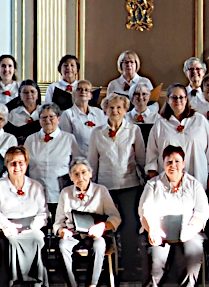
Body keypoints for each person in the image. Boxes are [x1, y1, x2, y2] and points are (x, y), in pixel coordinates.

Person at [87, 93, 146, 281]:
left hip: (129, 185)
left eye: (119, 107)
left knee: (129, 227)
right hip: (105, 187)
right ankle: (104, 270)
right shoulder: (97, 133)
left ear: (125, 110)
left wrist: (146, 184)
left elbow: (141, 159)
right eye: (111, 107)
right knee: (103, 227)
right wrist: (92, 188)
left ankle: (129, 267)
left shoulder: (134, 130)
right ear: (105, 110)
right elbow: (92, 163)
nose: (115, 111)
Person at [139, 145, 209, 287]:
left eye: (177, 161)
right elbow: (145, 210)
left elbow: (202, 212)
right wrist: (152, 229)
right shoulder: (153, 184)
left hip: (188, 230)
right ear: (163, 164)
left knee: (193, 254)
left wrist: (191, 228)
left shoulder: (194, 184)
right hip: (160, 231)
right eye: (169, 162)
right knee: (156, 262)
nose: (173, 165)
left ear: (184, 163)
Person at [0, 145, 49, 286]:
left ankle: (34, 283)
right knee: (10, 242)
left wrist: (34, 227)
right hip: (5, 229)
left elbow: (43, 212)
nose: (17, 167)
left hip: (31, 228)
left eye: (21, 163)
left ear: (26, 164)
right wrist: (6, 225)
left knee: (37, 238)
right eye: (13, 163)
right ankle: (14, 283)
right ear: (6, 165)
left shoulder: (36, 186)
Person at [55, 158, 121, 287]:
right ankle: (72, 285)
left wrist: (102, 226)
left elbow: (115, 217)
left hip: (94, 235)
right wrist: (61, 230)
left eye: (84, 172)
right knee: (62, 246)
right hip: (73, 234)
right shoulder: (66, 193)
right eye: (76, 173)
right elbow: (58, 222)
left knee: (99, 244)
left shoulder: (101, 191)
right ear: (70, 177)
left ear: (90, 174)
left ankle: (92, 284)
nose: (80, 177)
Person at [146, 83, 209, 190]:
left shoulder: (200, 120)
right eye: (174, 98)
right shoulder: (160, 124)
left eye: (181, 97)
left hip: (197, 176)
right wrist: (153, 179)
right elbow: (151, 154)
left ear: (186, 99)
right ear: (167, 100)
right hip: (169, 181)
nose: (178, 100)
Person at [24, 103, 81, 215]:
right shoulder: (30, 140)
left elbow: (77, 164)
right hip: (35, 193)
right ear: (39, 120)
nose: (48, 120)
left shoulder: (69, 138)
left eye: (51, 117)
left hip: (60, 192)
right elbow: (24, 166)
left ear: (58, 119)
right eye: (44, 117)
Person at [59, 79, 108, 154]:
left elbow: (105, 135)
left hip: (99, 155)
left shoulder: (99, 113)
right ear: (74, 94)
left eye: (86, 90)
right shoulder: (67, 114)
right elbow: (67, 141)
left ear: (91, 95)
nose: (83, 92)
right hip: (78, 158)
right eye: (79, 89)